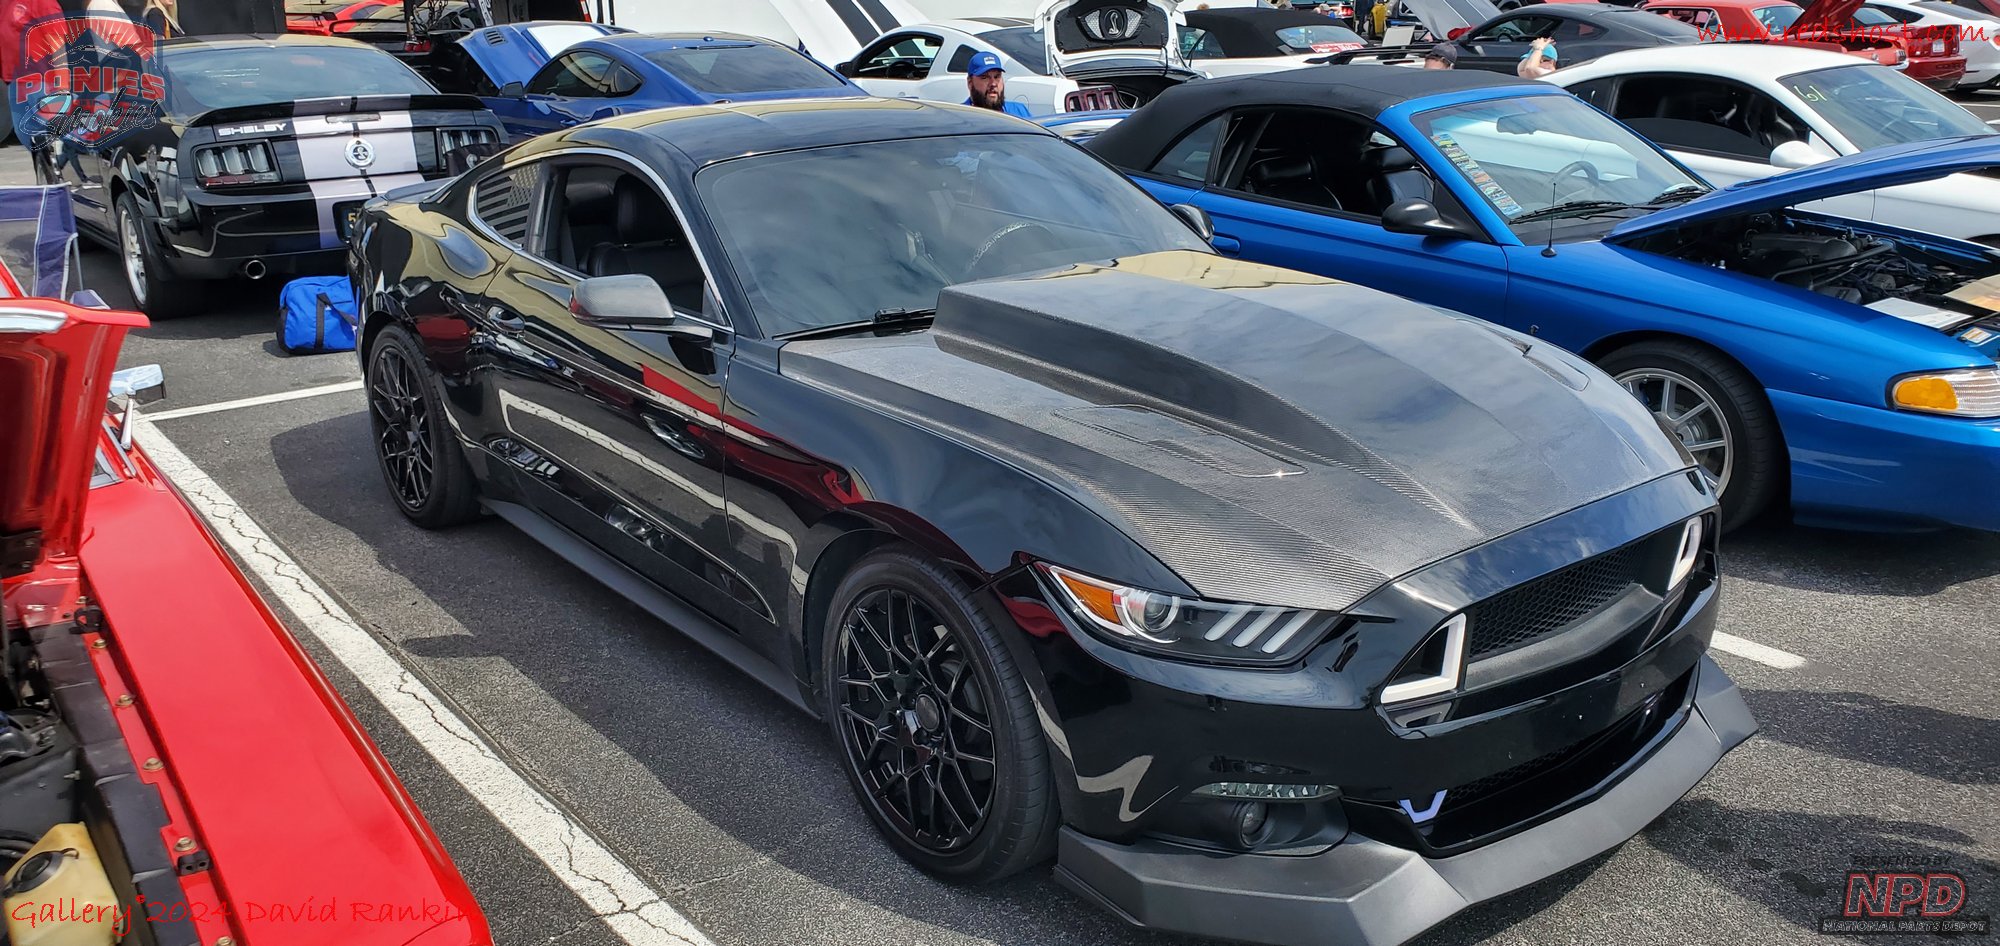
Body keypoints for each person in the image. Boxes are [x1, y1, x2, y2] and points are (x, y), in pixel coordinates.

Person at [963, 51, 1033, 119]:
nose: (993, 84)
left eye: (997, 77)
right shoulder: (961, 116)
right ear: (970, 83)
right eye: (985, 77)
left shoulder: (1019, 111)